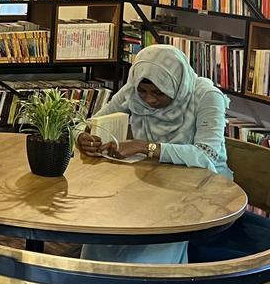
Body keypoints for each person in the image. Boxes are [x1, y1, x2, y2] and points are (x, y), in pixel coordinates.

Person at [77, 44, 231, 263]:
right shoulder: (132, 91)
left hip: (200, 186)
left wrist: (145, 147)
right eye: (143, 91)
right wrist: (84, 137)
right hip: (149, 182)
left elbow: (207, 155)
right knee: (104, 234)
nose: (148, 100)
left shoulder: (206, 96)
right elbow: (92, 123)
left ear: (175, 84)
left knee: (151, 246)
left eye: (158, 92)